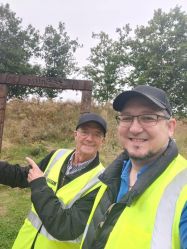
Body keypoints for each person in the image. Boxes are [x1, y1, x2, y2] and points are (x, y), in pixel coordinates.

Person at [80, 85, 187, 249]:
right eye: (127, 118)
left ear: (170, 127)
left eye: (149, 118)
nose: (135, 128)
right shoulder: (110, 176)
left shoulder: (183, 188)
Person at [0, 112, 107, 249]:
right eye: (84, 132)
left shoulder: (101, 181)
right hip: (25, 242)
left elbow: (66, 226)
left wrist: (39, 184)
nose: (89, 138)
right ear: (75, 135)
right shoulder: (57, 155)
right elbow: (23, 176)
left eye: (97, 134)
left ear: (103, 141)